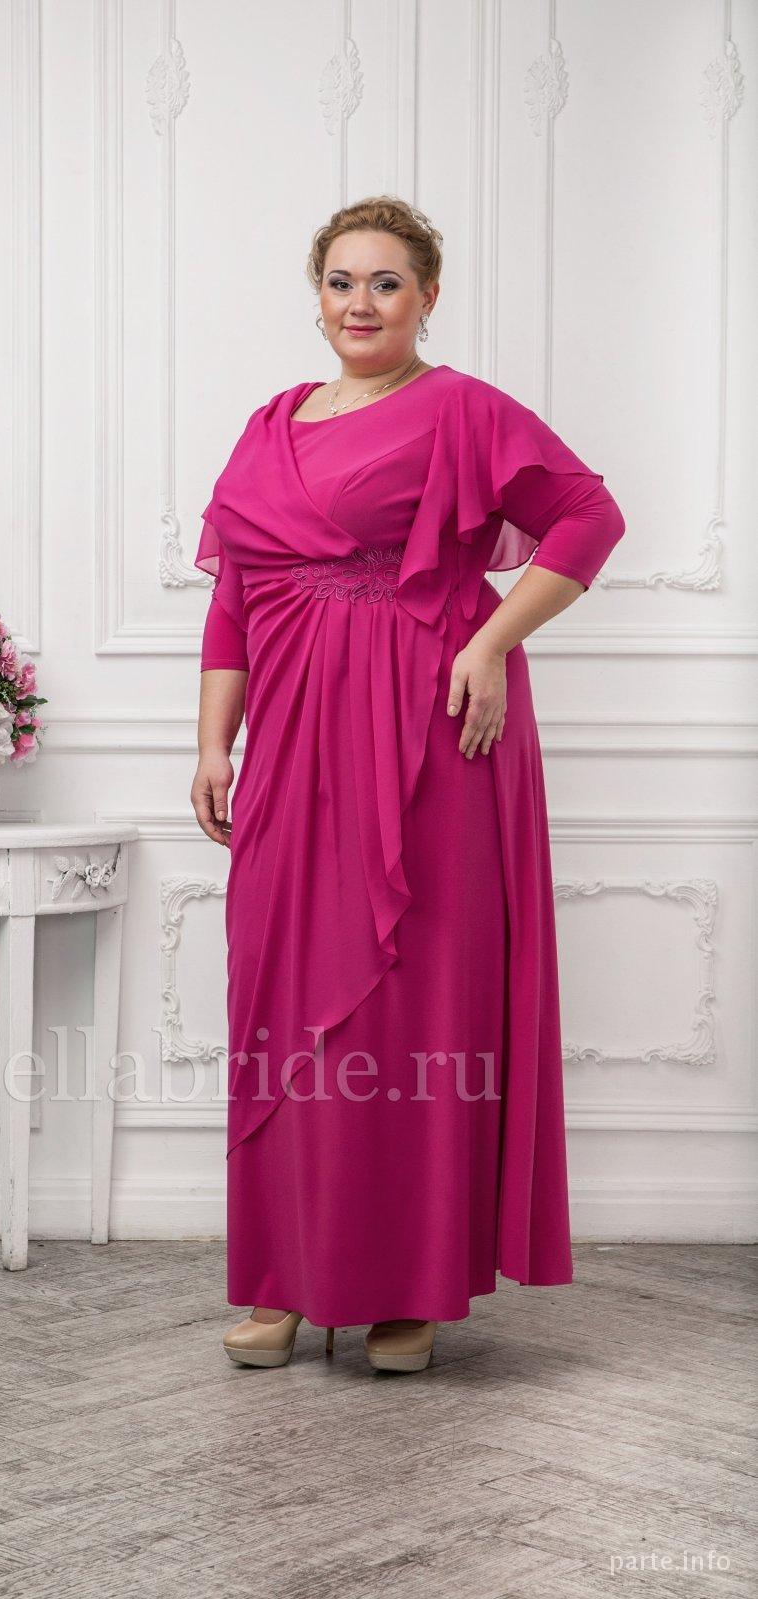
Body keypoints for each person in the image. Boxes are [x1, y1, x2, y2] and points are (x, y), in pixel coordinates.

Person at [190, 196, 626, 1374]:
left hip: (431, 730)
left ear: (427, 296)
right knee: (280, 995)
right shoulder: (269, 425)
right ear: (317, 297)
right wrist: (214, 745)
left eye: (386, 283)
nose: (361, 304)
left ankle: (406, 1289)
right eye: (342, 282)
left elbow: (588, 517)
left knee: (408, 1000)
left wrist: (491, 641)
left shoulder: (462, 409)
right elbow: (233, 600)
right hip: (293, 741)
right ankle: (280, 1278)